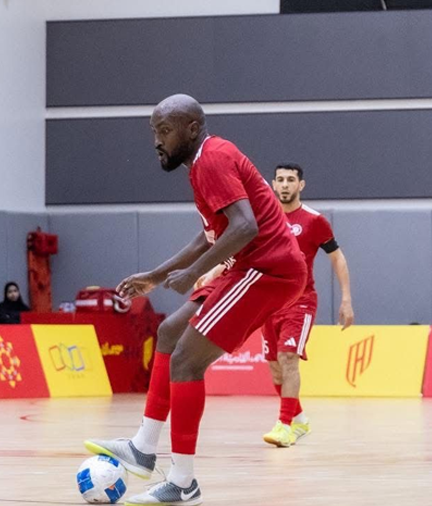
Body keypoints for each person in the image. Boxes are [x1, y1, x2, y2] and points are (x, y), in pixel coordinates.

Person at [84, 94, 306, 506]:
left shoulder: (213, 159)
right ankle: (143, 448)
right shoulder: (204, 163)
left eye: (165, 130)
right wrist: (156, 276)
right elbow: (209, 236)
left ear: (191, 128)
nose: (157, 140)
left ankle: (183, 482)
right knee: (170, 332)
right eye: (154, 131)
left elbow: (245, 228)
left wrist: (193, 273)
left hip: (267, 270)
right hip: (249, 266)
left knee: (187, 361)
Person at [261, 163, 353, 446]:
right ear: (273, 184)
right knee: (275, 366)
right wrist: (215, 273)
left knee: (288, 358)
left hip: (300, 301)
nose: (285, 184)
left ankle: (284, 425)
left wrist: (346, 298)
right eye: (280, 179)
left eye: (291, 180)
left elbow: (337, 257)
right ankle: (300, 420)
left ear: (300, 185)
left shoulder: (314, 221)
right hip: (268, 303)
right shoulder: (263, 217)